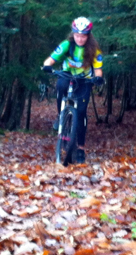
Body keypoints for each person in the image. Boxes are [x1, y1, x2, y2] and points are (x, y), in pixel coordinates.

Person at [42, 17, 104, 163]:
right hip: (67, 74)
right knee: (61, 85)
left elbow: (98, 69)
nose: (80, 39)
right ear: (73, 34)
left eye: (83, 36)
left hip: (84, 79)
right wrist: (47, 66)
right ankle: (60, 115)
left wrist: (98, 78)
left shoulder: (94, 50)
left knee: (81, 113)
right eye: (77, 35)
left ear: (88, 36)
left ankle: (81, 149)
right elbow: (51, 59)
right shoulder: (67, 45)